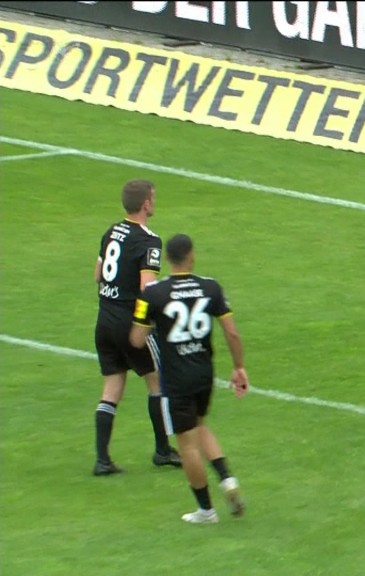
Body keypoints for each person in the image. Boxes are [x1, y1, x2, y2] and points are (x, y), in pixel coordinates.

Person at [129, 234, 249, 524]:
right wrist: (239, 367)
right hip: (203, 372)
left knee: (187, 444)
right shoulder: (210, 287)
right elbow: (231, 332)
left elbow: (136, 338)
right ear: (191, 256)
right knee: (200, 424)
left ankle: (206, 510)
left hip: (176, 377)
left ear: (168, 259)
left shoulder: (153, 294)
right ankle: (226, 478)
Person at [92, 178, 181, 475]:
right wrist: (150, 318)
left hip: (104, 320)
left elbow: (97, 275)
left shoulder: (111, 232)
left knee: (112, 387)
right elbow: (147, 288)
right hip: (130, 323)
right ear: (145, 203)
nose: (154, 202)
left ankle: (102, 460)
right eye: (153, 198)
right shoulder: (148, 240)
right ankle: (162, 450)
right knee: (158, 382)